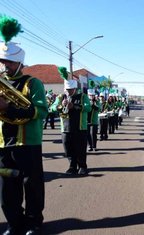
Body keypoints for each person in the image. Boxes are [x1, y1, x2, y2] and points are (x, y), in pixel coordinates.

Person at [0, 16, 48, 235]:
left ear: (19, 63)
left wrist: (7, 107)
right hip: (4, 143)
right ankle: (14, 223)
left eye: (8, 62)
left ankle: (34, 222)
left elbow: (38, 110)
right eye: (2, 62)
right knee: (7, 188)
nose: (4, 66)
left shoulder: (33, 83)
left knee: (32, 185)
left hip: (28, 141)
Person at [52, 71, 91, 175]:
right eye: (67, 90)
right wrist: (60, 106)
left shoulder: (83, 96)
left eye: (70, 90)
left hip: (79, 127)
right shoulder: (61, 97)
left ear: (75, 89)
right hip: (65, 128)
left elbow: (88, 107)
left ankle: (82, 166)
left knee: (80, 149)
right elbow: (51, 108)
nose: (68, 92)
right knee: (68, 149)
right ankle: (72, 166)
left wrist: (74, 106)